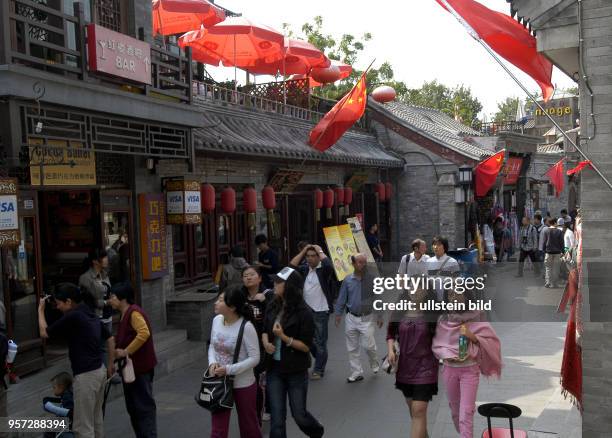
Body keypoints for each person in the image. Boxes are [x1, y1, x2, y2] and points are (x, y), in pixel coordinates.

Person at [38, 283, 115, 438]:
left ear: (68, 302)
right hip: (99, 371)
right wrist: (111, 365)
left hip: (86, 376)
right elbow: (110, 338)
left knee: (83, 427)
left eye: (59, 304)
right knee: (96, 420)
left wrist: (40, 309)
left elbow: (44, 333)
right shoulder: (87, 311)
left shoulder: (73, 315)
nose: (58, 307)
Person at [262, 267, 324, 438]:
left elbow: (306, 346)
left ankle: (317, 432)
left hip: (296, 370)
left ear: (289, 286)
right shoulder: (273, 305)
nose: (274, 284)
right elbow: (264, 330)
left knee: (299, 415)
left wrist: (283, 337)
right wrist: (266, 342)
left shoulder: (304, 313)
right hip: (274, 369)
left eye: (278, 282)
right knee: (277, 420)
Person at [432, 292, 502, 438]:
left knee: (466, 413)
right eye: (450, 294)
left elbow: (492, 341)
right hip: (449, 370)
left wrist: (472, 336)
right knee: (456, 412)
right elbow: (437, 345)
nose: (454, 297)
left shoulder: (476, 315)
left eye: (458, 293)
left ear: (465, 295)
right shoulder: (443, 318)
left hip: (469, 371)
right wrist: (448, 355)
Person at [208, 287, 262, 438]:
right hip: (219, 383)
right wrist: (212, 363)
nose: (215, 303)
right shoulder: (216, 321)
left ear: (232, 307)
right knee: (217, 430)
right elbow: (212, 345)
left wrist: (229, 369)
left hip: (243, 383)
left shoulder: (246, 327)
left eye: (220, 300)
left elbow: (255, 358)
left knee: (249, 426)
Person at [386, 288, 438, 438]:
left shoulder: (433, 313)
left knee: (419, 411)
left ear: (426, 292)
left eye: (420, 289)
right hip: (405, 368)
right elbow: (390, 333)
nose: (416, 292)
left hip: (426, 368)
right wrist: (391, 350)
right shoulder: (400, 310)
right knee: (414, 413)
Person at [109, 283, 158, 438]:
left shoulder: (134, 313)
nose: (110, 300)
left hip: (140, 369)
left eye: (113, 297)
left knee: (143, 408)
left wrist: (125, 351)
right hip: (130, 369)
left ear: (123, 298)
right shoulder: (124, 313)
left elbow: (144, 333)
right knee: (134, 408)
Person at [289, 244, 335, 380]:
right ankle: (321, 358)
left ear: (318, 257)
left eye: (313, 256)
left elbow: (329, 265)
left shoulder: (323, 270)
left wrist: (319, 250)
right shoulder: (304, 269)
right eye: (308, 256)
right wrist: (303, 250)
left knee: (320, 341)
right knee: (308, 341)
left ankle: (319, 369)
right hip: (304, 312)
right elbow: (291, 267)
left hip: (321, 310)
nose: (310, 259)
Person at [334, 253, 382, 383]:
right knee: (352, 347)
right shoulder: (347, 280)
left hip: (367, 317)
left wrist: (380, 315)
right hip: (351, 317)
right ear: (353, 264)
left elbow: (378, 298)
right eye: (360, 262)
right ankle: (356, 372)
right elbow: (342, 298)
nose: (363, 264)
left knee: (368, 346)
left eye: (364, 262)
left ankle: (374, 362)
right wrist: (338, 314)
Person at [241, 266, 273, 423]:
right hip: (246, 345)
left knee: (264, 377)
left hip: (264, 343)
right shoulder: (240, 297)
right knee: (253, 377)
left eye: (252, 275)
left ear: (260, 278)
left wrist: (266, 301)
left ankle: (267, 407)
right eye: (245, 275)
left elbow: (274, 315)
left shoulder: (267, 295)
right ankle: (256, 407)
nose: (248, 278)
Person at [79, 249, 112, 333]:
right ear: (95, 261)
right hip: (95, 317)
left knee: (108, 343)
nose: (106, 259)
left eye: (106, 256)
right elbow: (86, 301)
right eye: (103, 257)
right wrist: (106, 302)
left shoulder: (105, 274)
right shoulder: (85, 278)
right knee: (99, 345)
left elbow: (107, 292)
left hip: (108, 316)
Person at [426, 236, 460, 302]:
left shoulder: (452, 262)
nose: (435, 247)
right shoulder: (428, 261)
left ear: (445, 246)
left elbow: (457, 281)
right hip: (432, 297)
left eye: (439, 244)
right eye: (434, 244)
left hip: (447, 298)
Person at [43, 372, 74, 438]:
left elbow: (69, 412)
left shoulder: (67, 396)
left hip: (69, 424)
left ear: (61, 386)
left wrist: (51, 408)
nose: (53, 390)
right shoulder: (68, 393)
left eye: (54, 387)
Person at [542, 218, 565, 288]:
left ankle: (548, 282)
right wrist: (563, 251)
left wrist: (544, 250)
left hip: (548, 252)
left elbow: (544, 242)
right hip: (557, 252)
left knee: (548, 267)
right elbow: (562, 242)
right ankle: (555, 283)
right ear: (555, 223)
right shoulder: (559, 231)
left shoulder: (546, 231)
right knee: (556, 268)